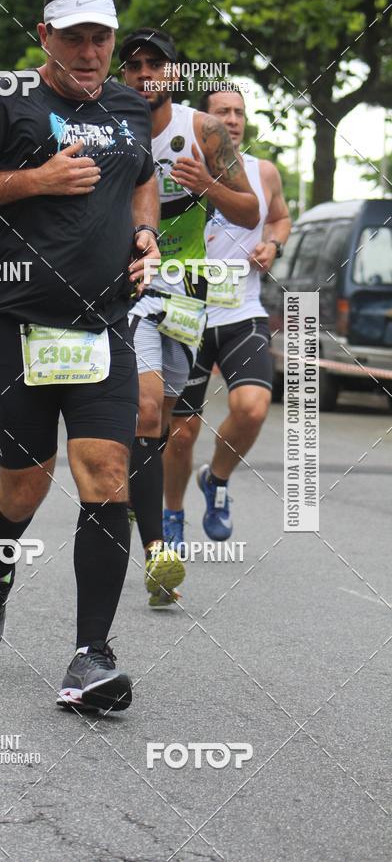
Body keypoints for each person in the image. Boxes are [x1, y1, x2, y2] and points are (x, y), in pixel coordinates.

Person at [0, 0, 159, 712]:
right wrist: (37, 179)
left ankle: (91, 655)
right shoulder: (6, 106)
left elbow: (142, 181)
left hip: (104, 327)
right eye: (74, 38)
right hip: (17, 328)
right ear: (44, 37)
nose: (89, 52)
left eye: (101, 38)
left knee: (106, 475)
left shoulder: (131, 107)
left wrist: (147, 234)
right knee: (24, 484)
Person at [120, 30, 259, 605]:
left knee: (173, 426)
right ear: (123, 75)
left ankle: (151, 516)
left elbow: (250, 208)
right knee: (145, 410)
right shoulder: (106, 122)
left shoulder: (202, 131)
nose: (146, 74)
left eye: (157, 64)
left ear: (174, 74)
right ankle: (156, 548)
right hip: (129, 286)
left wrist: (209, 186)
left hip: (190, 291)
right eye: (135, 66)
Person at [163, 87, 291, 541]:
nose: (233, 120)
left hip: (243, 311)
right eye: (223, 112)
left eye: (239, 112)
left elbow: (278, 218)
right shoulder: (177, 166)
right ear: (205, 120)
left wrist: (272, 244)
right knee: (180, 434)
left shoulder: (263, 172)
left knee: (252, 409)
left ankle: (215, 479)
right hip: (186, 312)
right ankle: (172, 514)